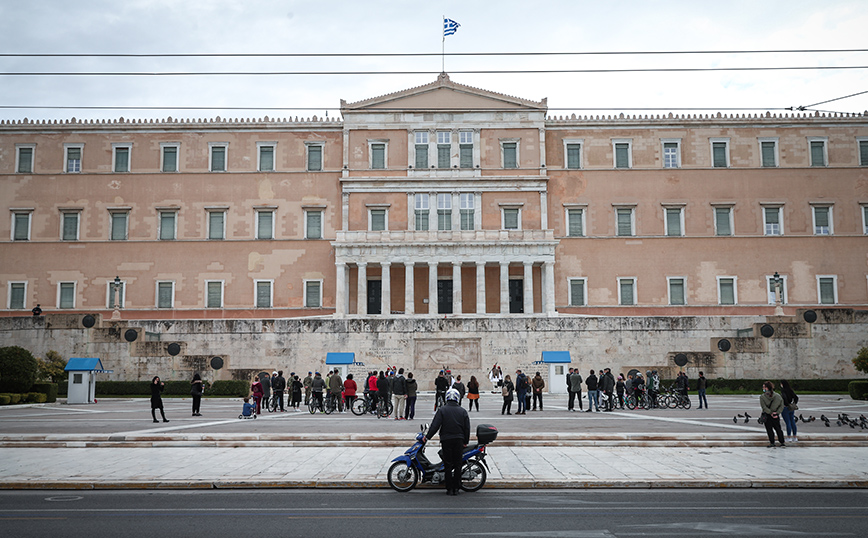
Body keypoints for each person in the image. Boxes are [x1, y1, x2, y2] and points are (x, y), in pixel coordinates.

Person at [424, 388, 470, 496]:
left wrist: (427, 437)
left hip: (446, 439)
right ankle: (457, 488)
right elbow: (467, 428)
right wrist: (465, 441)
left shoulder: (442, 410)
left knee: (448, 464)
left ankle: (449, 488)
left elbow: (435, 425)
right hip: (458, 439)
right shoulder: (462, 411)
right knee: (458, 464)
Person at [760, 381, 786, 448]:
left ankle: (772, 443)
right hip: (775, 415)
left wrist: (770, 413)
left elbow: (764, 407)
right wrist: (777, 413)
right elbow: (781, 405)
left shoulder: (762, 397)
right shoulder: (778, 396)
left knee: (769, 430)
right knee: (778, 429)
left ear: (766, 388)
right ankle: (782, 442)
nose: (763, 388)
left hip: (768, 415)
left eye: (763, 387)